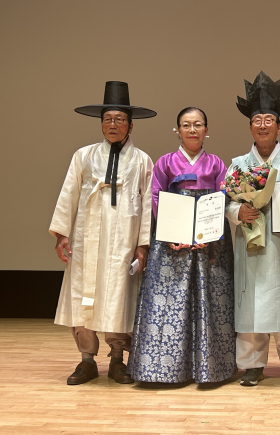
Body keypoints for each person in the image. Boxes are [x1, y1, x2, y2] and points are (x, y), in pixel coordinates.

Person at [49, 81, 155, 385]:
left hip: (123, 240)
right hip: (87, 238)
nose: (113, 124)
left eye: (119, 119)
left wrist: (143, 245)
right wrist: (62, 234)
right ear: (101, 123)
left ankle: (118, 358)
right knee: (83, 295)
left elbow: (148, 203)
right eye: (107, 119)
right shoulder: (83, 156)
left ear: (131, 125)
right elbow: (69, 193)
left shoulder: (142, 160)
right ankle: (86, 360)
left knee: (120, 296)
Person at [127, 107, 236, 384]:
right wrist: (173, 233)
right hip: (172, 241)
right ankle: (162, 370)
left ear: (206, 130)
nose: (192, 130)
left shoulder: (216, 164)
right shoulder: (165, 162)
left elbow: (222, 198)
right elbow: (155, 196)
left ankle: (211, 368)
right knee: (169, 303)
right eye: (186, 125)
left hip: (208, 243)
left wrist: (207, 234)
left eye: (198, 124)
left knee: (211, 301)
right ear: (177, 130)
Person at [226, 71, 280, 388]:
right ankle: (252, 364)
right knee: (251, 301)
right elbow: (227, 205)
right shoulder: (238, 165)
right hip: (251, 245)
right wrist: (239, 212)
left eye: (269, 120)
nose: (263, 125)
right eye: (257, 120)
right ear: (250, 126)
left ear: (279, 126)